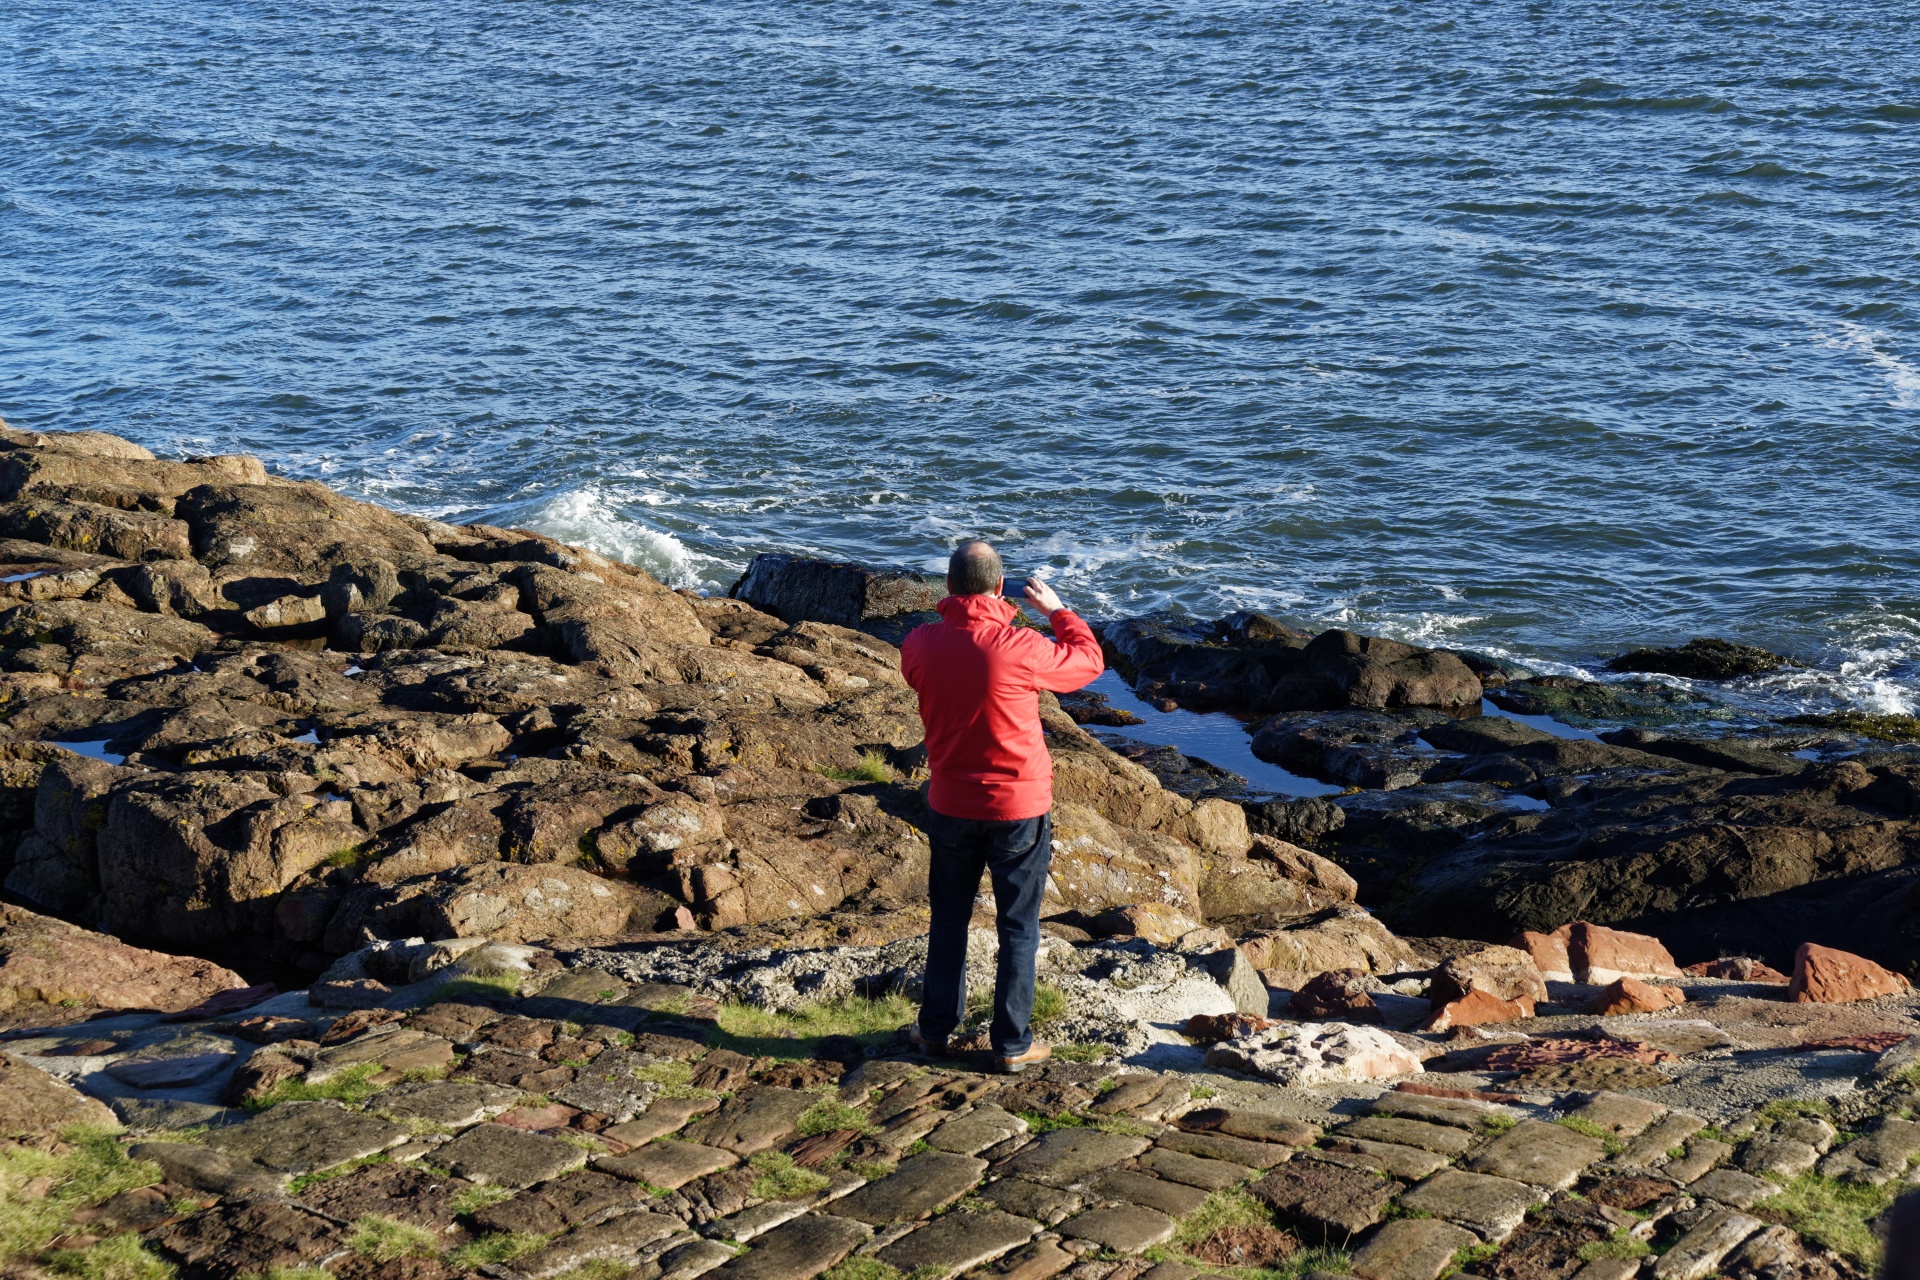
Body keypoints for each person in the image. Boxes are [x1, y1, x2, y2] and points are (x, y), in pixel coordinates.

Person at [899, 539, 1105, 1073]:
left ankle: (935, 1030)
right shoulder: (1019, 646)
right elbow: (1088, 663)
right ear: (999, 587)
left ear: (948, 587)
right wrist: (1057, 611)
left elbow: (934, 664)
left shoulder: (919, 644)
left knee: (948, 920)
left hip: (949, 802)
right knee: (1018, 926)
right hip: (1018, 805)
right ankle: (1012, 1043)